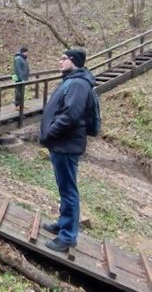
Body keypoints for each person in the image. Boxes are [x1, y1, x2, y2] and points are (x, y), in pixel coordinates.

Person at [39, 48, 95, 252]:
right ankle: (64, 224)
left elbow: (71, 115)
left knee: (69, 190)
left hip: (66, 143)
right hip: (62, 143)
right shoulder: (72, 80)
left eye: (63, 59)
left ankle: (68, 236)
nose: (59, 61)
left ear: (74, 61)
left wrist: (50, 132)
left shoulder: (78, 84)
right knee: (64, 188)